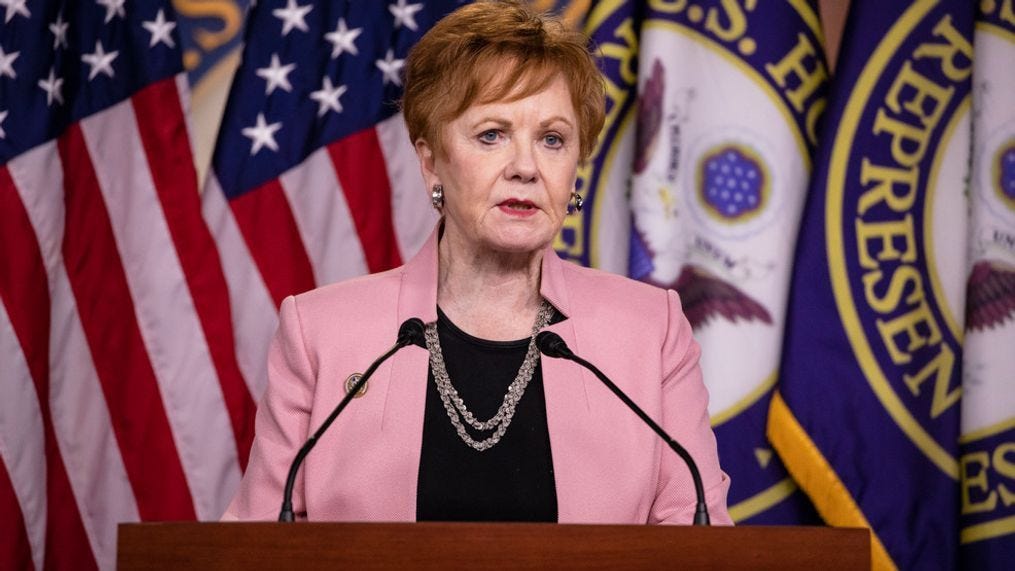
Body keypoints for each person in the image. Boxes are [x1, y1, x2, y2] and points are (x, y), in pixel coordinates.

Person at [223, 0, 731, 525]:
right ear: (431, 163)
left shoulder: (650, 331)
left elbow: (698, 540)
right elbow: (256, 545)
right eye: (492, 134)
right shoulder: (322, 334)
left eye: (552, 140)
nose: (526, 167)